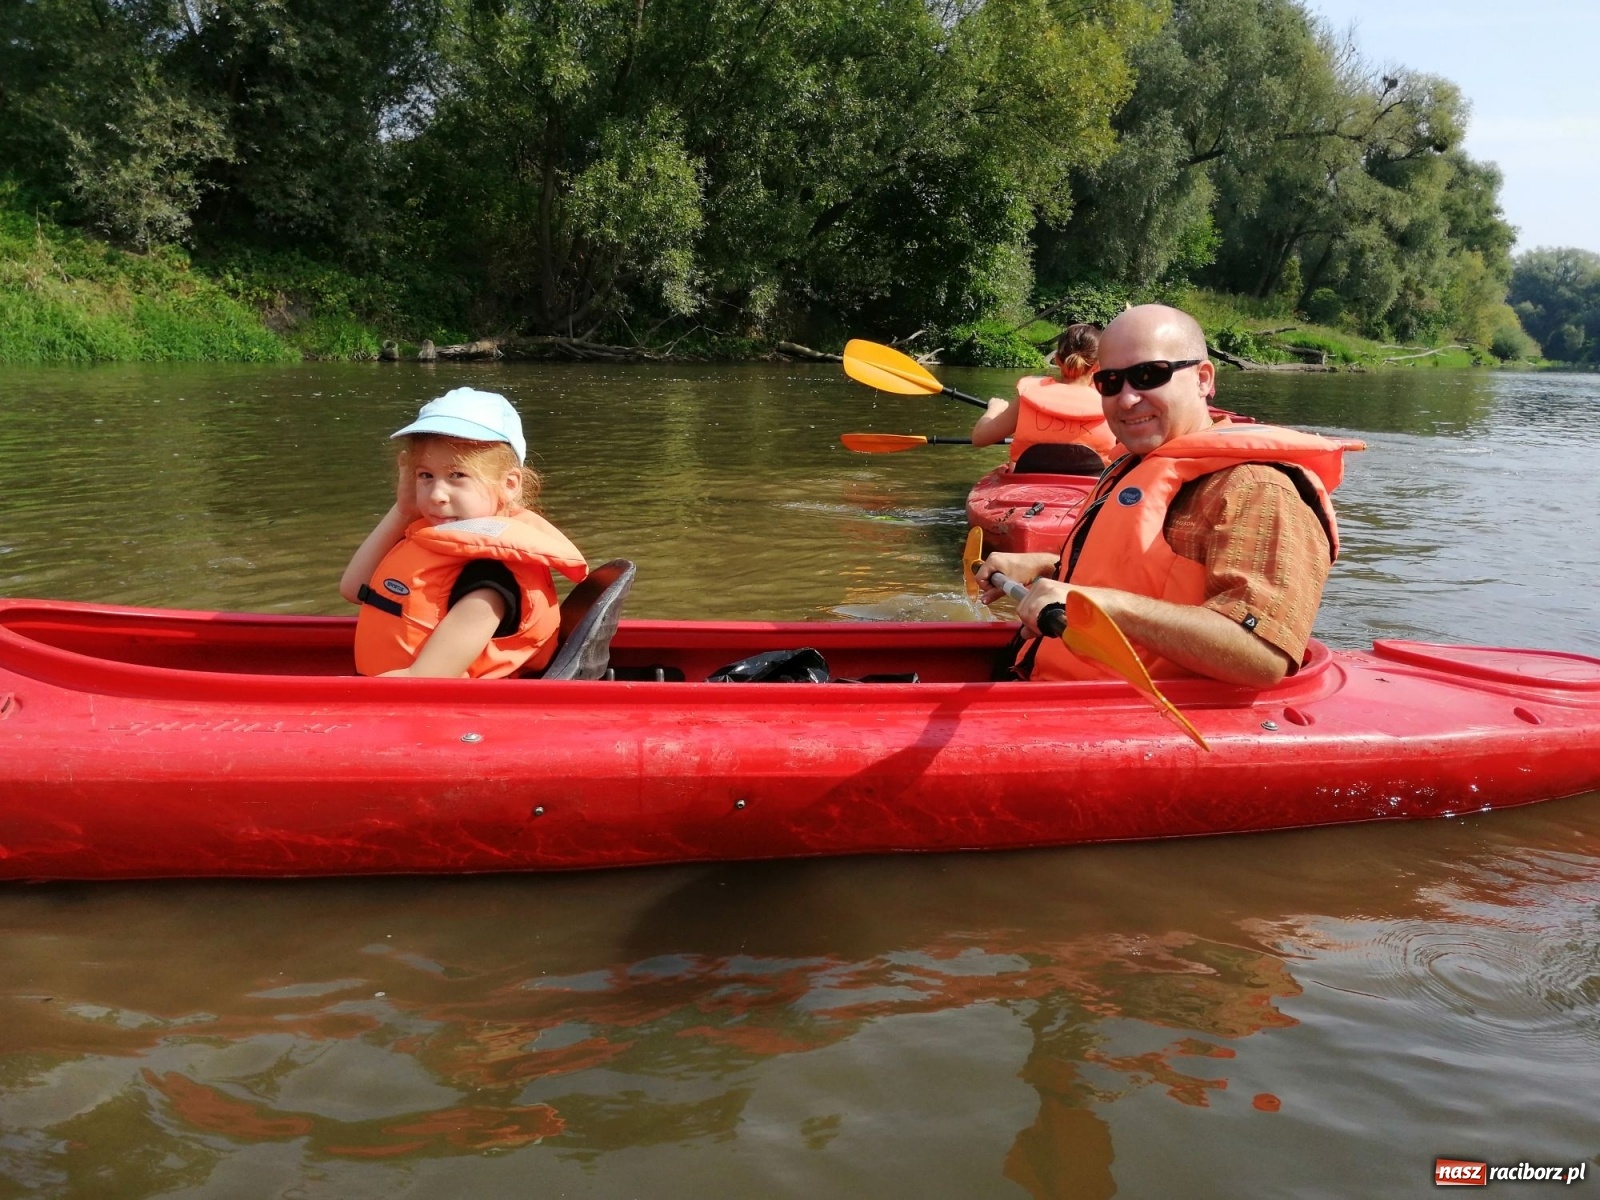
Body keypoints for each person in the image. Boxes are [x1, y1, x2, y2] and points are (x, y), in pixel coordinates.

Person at [975, 304, 1349, 688]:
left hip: (1128, 721)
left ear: (1203, 379)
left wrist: (1104, 605)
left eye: (1148, 375)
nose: (1126, 399)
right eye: (1111, 382)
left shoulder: (1258, 490)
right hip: (1051, 688)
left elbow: (1262, 655)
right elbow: (1140, 579)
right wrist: (1047, 566)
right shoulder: (1133, 464)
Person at [340, 387, 588, 678]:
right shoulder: (437, 537)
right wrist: (403, 509)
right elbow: (354, 589)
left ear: (509, 485)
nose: (437, 495)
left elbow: (422, 680)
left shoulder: (489, 582)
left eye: (457, 476)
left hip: (432, 714)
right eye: (425, 476)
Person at [970, 323, 1120, 467]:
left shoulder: (1029, 397)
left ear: (1056, 360)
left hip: (1027, 485)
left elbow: (979, 438)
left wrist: (994, 408)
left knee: (1012, 464)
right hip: (1093, 488)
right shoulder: (1111, 404)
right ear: (1097, 366)